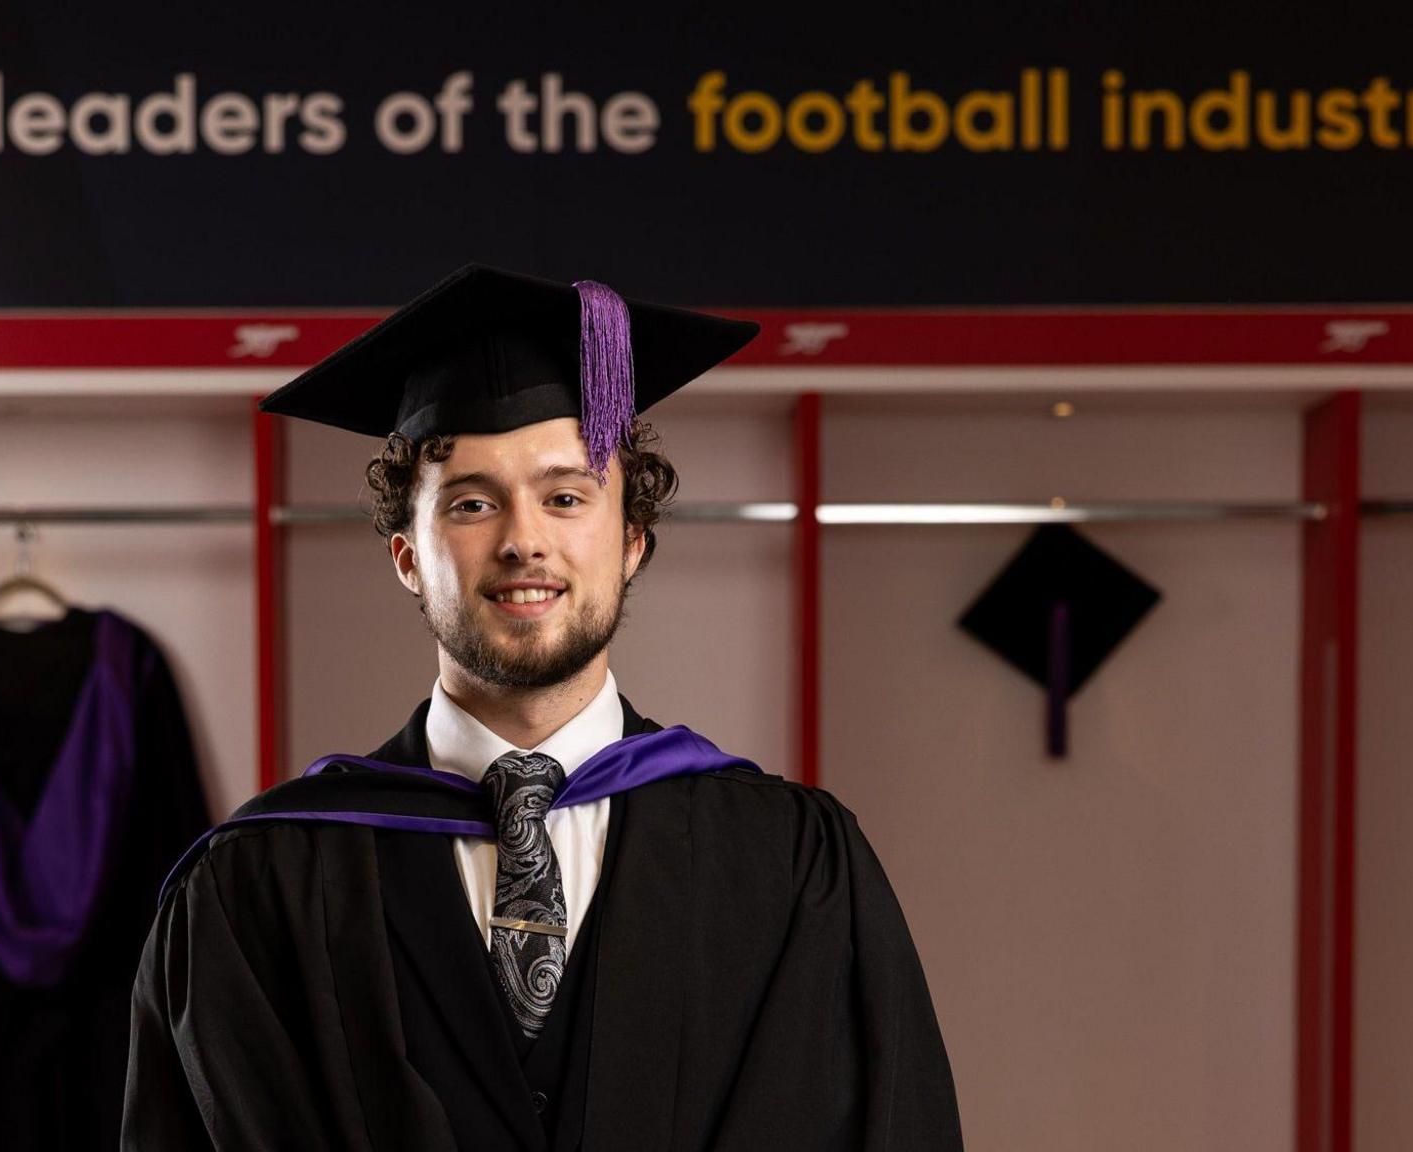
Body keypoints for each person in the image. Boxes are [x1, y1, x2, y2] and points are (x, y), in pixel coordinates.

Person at [121, 264, 962, 1151]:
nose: (524, 540)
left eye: (565, 497)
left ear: (631, 541)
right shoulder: (260, 884)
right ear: (408, 558)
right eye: (472, 503)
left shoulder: (792, 864)